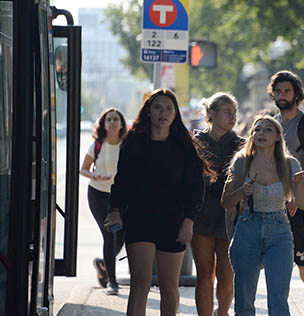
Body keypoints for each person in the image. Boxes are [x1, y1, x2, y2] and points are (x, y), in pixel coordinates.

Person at [105, 89, 213, 316]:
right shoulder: (133, 144)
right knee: (140, 283)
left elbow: (195, 190)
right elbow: (121, 183)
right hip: (139, 219)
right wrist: (115, 210)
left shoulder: (185, 147)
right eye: (157, 107)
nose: (163, 113)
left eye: (169, 108)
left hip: (174, 222)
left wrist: (188, 221)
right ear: (148, 112)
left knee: (169, 287)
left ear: (175, 114)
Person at [221, 115, 304, 316]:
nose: (261, 133)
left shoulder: (289, 164)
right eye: (257, 129)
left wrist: (299, 185)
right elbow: (226, 202)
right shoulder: (241, 162)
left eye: (267, 130)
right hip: (247, 228)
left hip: (279, 231)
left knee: (278, 301)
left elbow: (302, 204)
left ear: (278, 136)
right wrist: (242, 191)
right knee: (244, 301)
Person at [268, 70, 304, 315]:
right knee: (276, 258)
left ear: (297, 94)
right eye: (278, 91)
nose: (282, 96)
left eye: (287, 91)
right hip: (273, 201)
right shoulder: (271, 124)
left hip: (302, 203)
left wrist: (295, 197)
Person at [191, 92, 245, 316]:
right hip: (201, 215)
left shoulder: (241, 144)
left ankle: (221, 312)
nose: (232, 117)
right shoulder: (197, 142)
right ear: (211, 114)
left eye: (234, 112)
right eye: (227, 112)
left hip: (230, 216)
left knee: (226, 274)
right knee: (204, 274)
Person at [79, 108, 128, 295]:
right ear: (104, 124)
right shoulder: (97, 145)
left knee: (122, 236)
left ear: (122, 124)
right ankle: (112, 282)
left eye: (116, 119)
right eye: (109, 119)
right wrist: (94, 174)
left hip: (121, 196)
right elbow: (83, 169)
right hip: (98, 194)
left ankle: (102, 263)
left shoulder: (126, 144)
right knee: (110, 234)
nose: (113, 122)